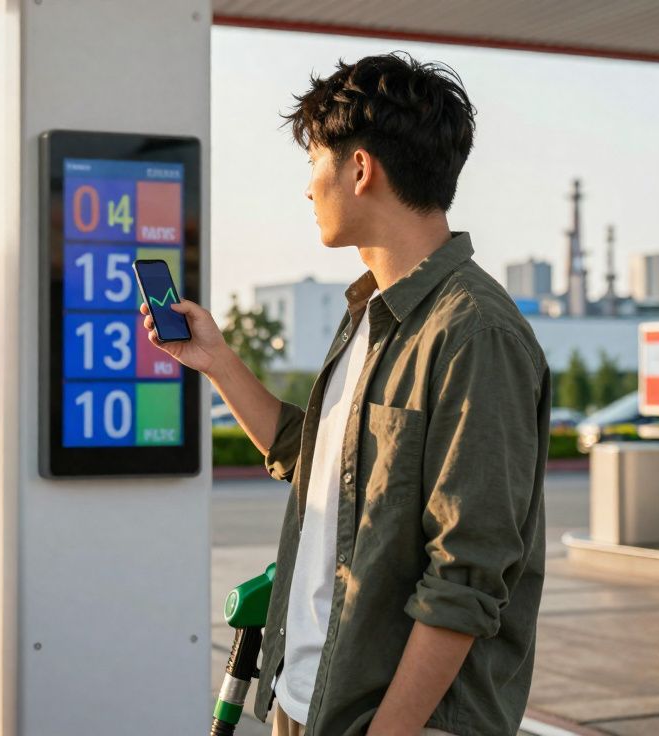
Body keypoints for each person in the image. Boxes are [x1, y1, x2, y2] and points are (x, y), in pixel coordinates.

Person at [141, 53, 549, 735]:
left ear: (359, 169)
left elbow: (466, 579)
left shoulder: (475, 333)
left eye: (313, 163)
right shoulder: (370, 313)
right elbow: (316, 461)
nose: (307, 189)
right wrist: (215, 362)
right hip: (311, 701)